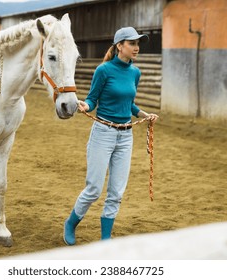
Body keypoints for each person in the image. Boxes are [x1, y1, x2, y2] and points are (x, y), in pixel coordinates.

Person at [63, 27, 158, 245]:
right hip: (103, 134)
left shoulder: (136, 72)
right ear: (119, 46)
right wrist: (85, 105)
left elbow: (129, 103)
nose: (137, 48)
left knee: (116, 192)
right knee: (94, 188)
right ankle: (70, 223)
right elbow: (93, 99)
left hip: (126, 137)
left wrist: (144, 114)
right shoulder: (103, 70)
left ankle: (106, 240)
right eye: (132, 43)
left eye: (138, 43)